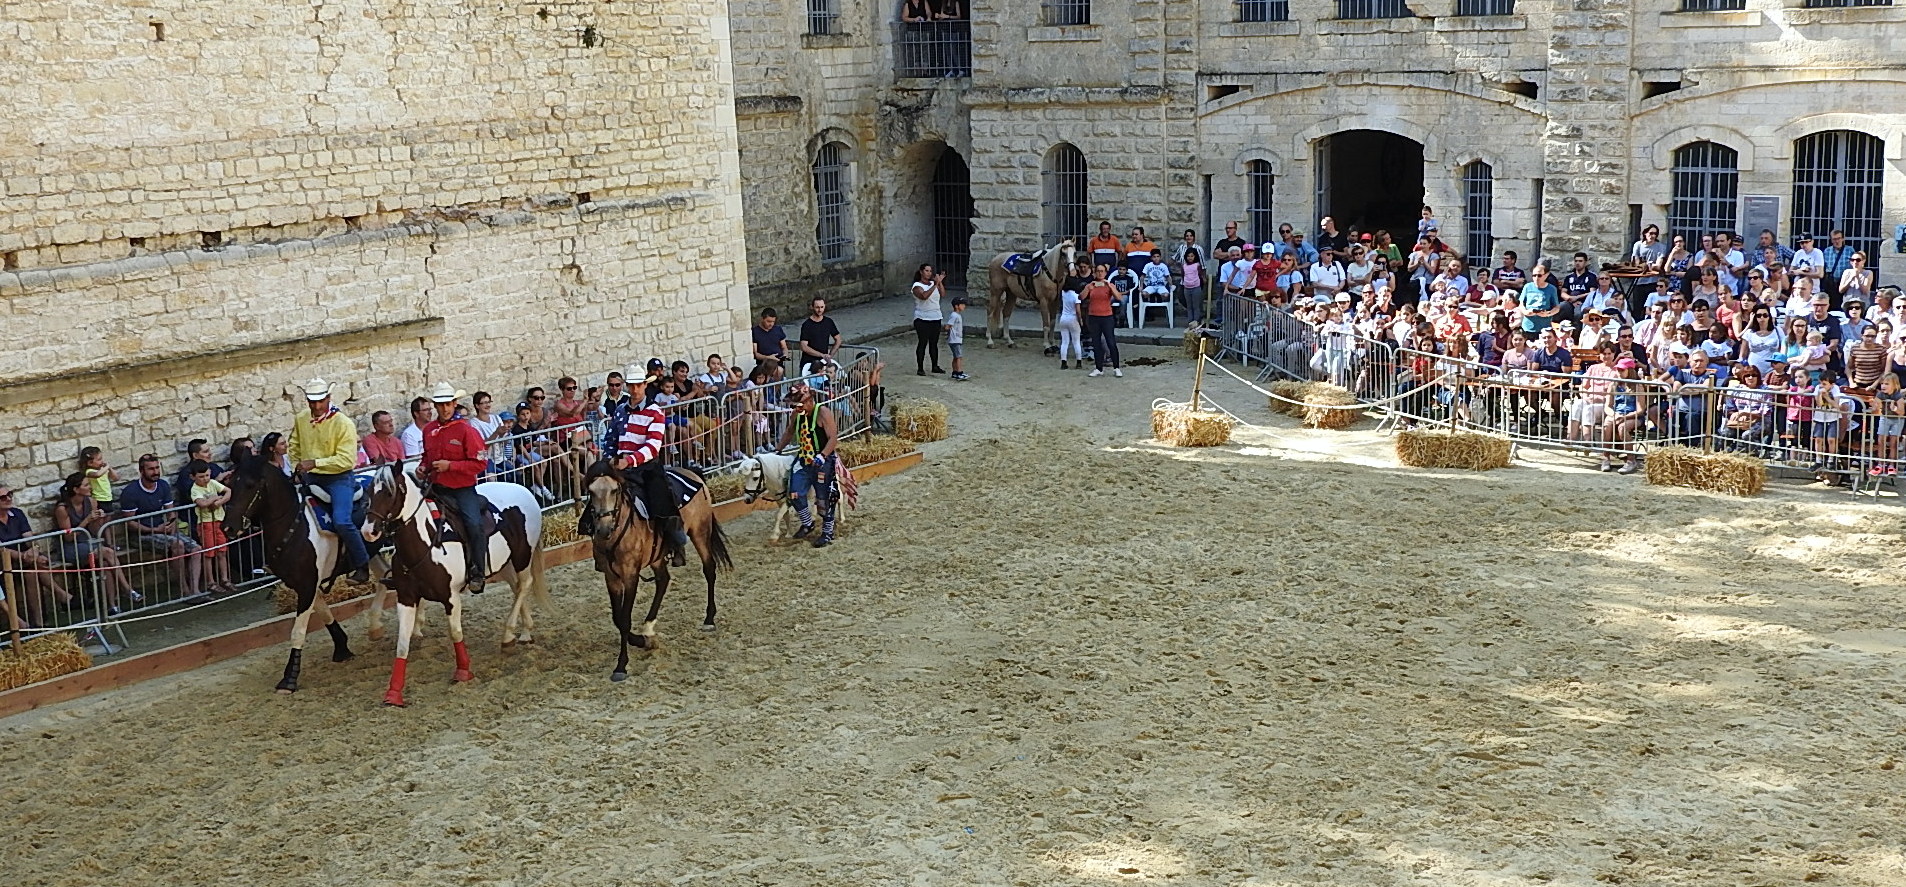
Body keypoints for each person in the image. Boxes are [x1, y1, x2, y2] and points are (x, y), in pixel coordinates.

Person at [289, 378, 371, 583]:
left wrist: (314, 463)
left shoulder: (343, 423)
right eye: (312, 402)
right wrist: (296, 466)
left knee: (342, 521)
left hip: (339, 478)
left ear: (328, 398)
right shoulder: (302, 419)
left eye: (320, 401)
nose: (316, 406)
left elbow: (346, 460)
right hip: (310, 475)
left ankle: (362, 565)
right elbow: (294, 445)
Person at [607, 372, 690, 565]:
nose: (634, 390)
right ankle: (600, 547)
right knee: (598, 499)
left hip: (646, 467)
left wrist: (629, 461)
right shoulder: (620, 410)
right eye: (631, 386)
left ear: (645, 385)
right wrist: (609, 459)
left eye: (638, 385)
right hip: (620, 466)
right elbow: (611, 439)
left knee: (662, 500)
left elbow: (652, 447)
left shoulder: (655, 412)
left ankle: (677, 543)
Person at [416, 382, 492, 592]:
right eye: (440, 405)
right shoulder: (429, 429)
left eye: (448, 404)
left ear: (455, 403)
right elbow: (426, 456)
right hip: (435, 486)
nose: (444, 408)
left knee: (473, 524)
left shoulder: (467, 430)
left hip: (462, 489)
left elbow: (480, 463)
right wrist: (423, 466)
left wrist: (451, 466)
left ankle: (477, 571)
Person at [52, 471, 140, 611]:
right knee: (107, 552)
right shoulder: (63, 509)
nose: (90, 487)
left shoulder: (91, 501)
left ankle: (111, 606)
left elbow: (94, 530)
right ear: (76, 489)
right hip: (72, 547)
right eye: (86, 485)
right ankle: (127, 589)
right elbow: (68, 537)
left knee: (106, 562)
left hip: (89, 542)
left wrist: (99, 519)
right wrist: (86, 519)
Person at [120, 453, 203, 600]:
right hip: (141, 535)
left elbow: (171, 511)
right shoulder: (131, 491)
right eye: (151, 469)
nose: (155, 472)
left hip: (162, 529)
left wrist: (171, 523)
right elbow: (130, 523)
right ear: (141, 471)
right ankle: (185, 591)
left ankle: (195, 590)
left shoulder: (163, 485)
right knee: (177, 545)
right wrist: (154, 530)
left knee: (196, 549)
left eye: (157, 468)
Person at [776, 381, 841, 548]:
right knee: (794, 492)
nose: (797, 408)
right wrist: (777, 450)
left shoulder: (823, 413)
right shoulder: (797, 414)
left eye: (799, 404)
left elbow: (833, 438)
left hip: (823, 458)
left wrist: (823, 455)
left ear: (809, 401)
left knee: (824, 497)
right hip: (804, 457)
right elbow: (789, 432)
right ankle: (807, 523)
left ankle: (828, 531)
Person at [1, 483, 74, 627]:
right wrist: (24, 556)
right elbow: (1, 549)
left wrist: (34, 550)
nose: (8, 498)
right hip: (4, 565)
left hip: (25, 561)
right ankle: (62, 597)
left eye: (10, 494)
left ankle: (39, 623)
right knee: (36, 565)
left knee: (32, 571)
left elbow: (29, 538)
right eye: (3, 497)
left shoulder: (17, 513)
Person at [186, 460, 236, 596]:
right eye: (201, 477)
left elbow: (228, 491)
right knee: (209, 553)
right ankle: (211, 581)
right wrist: (214, 498)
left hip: (219, 521)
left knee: (222, 551)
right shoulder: (195, 489)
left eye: (207, 475)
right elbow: (201, 503)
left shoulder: (213, 483)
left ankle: (225, 579)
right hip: (206, 523)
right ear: (193, 477)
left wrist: (219, 501)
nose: (205, 479)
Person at [1080, 264, 1124, 377]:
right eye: (1098, 271)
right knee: (1096, 343)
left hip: (1107, 317)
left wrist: (1111, 287)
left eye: (1102, 271)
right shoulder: (1091, 285)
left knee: (1111, 342)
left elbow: (1119, 298)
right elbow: (1081, 297)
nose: (1100, 273)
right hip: (1093, 317)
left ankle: (1116, 367)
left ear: (1105, 273)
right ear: (1095, 273)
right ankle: (1099, 368)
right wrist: (1088, 288)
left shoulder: (1109, 285)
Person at [910, 264, 946, 376]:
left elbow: (943, 294)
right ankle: (920, 368)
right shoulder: (917, 286)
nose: (929, 273)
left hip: (936, 317)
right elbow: (924, 296)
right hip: (922, 318)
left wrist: (939, 283)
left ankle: (935, 365)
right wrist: (935, 284)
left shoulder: (932, 284)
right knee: (923, 343)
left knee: (934, 343)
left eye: (930, 271)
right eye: (926, 270)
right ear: (921, 272)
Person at [798, 297, 842, 374]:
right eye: (817, 307)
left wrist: (830, 355)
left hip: (823, 364)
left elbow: (838, 339)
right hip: (808, 363)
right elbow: (804, 346)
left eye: (822, 307)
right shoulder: (807, 325)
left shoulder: (828, 322)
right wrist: (822, 355)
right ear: (812, 307)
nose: (820, 310)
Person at [79, 446, 118, 515]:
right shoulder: (89, 471)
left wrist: (110, 469)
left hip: (108, 497)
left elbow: (116, 478)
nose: (102, 461)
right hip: (98, 499)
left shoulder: (103, 469)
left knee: (109, 517)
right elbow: (97, 475)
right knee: (100, 518)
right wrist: (106, 467)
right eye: (99, 459)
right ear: (90, 463)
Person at [1056, 276, 1084, 370]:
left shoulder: (1063, 293)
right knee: (1076, 342)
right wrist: (1080, 320)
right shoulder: (1076, 295)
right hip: (1073, 318)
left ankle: (1064, 362)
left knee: (1064, 342)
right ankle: (1078, 362)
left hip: (1063, 318)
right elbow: (1078, 310)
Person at [946, 295, 970, 381]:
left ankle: (955, 372)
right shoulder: (954, 316)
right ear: (956, 306)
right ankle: (959, 372)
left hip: (956, 339)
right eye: (962, 304)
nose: (964, 306)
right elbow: (948, 326)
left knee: (956, 356)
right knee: (959, 356)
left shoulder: (956, 315)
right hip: (955, 339)